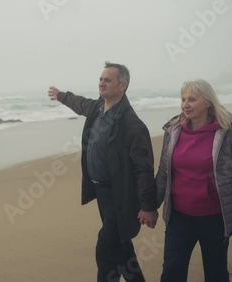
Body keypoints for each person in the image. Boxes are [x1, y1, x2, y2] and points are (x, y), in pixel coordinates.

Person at [48, 62, 158, 282]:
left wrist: (148, 206)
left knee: (106, 248)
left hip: (121, 195)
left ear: (122, 86)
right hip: (102, 193)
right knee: (122, 247)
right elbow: (79, 103)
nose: (102, 83)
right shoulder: (97, 109)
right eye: (101, 79)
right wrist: (60, 95)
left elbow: (143, 169)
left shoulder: (132, 124)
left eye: (108, 80)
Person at [155, 79, 232, 282]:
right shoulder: (173, 131)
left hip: (215, 218)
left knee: (216, 273)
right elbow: (164, 173)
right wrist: (149, 207)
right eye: (183, 99)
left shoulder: (229, 132)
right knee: (171, 273)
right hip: (179, 217)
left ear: (208, 102)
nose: (185, 104)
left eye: (192, 99)